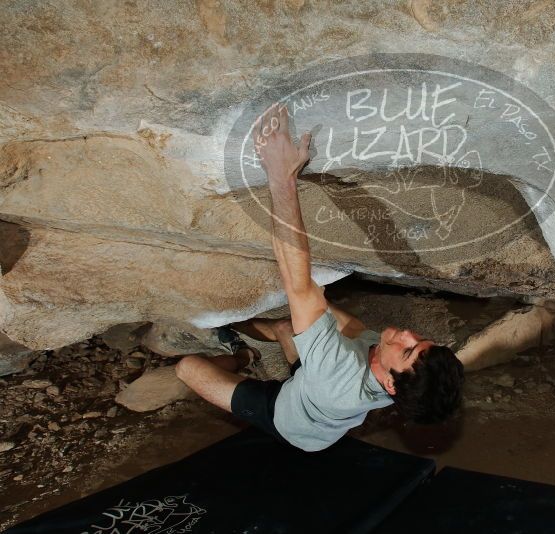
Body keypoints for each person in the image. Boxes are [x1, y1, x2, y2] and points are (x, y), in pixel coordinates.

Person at [175, 102, 465, 452]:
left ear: (390, 384)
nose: (405, 335)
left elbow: (297, 284)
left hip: (289, 418)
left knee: (187, 368)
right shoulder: (405, 386)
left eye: (407, 350)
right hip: (316, 387)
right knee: (290, 328)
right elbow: (355, 331)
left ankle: (242, 357)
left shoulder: (336, 373)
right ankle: (270, 335)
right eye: (420, 340)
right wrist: (320, 300)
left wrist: (281, 175)